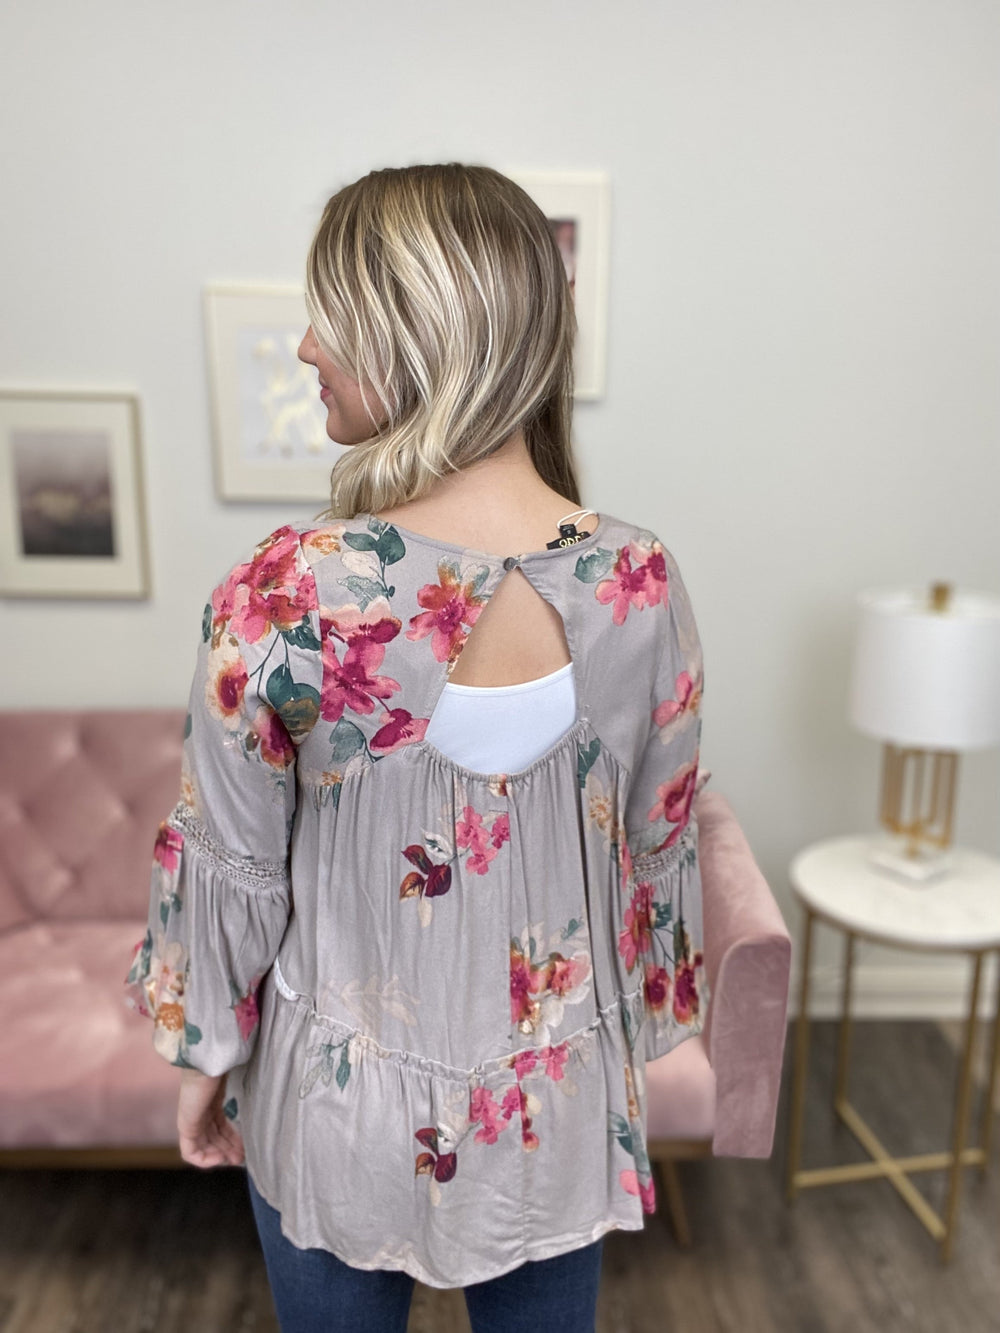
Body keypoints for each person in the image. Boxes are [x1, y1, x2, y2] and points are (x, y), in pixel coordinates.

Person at [124, 162, 710, 1333]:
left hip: (331, 1103)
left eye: (329, 315)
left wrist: (204, 1059)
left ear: (415, 330)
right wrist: (640, 1036)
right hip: (549, 1106)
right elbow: (657, 845)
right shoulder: (638, 584)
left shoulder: (287, 594)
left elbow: (231, 866)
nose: (305, 347)